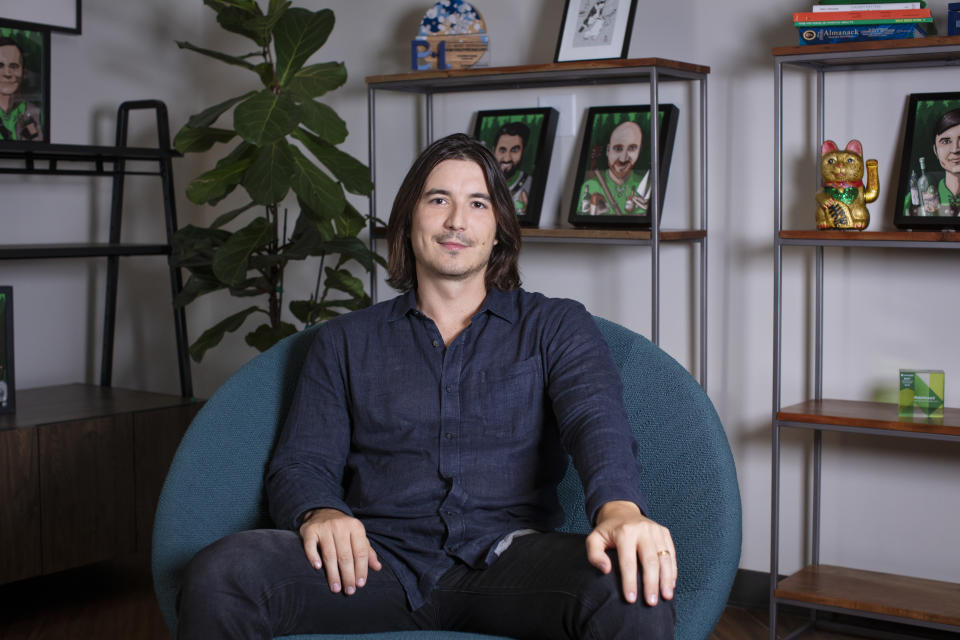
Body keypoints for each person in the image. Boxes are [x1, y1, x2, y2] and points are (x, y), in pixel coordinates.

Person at [177, 133, 676, 640]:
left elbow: (596, 422)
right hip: (369, 565)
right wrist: (321, 512)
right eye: (439, 199)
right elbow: (302, 462)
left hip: (511, 561)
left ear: (499, 228)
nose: (457, 220)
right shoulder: (344, 341)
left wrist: (620, 510)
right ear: (408, 221)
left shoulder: (556, 325)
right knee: (222, 575)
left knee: (630, 589)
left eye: (477, 203)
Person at [578, 120, 650, 216]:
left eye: (632, 148)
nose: (623, 158)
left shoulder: (646, 188)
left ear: (639, 151)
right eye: (618, 149)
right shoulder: (590, 186)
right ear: (608, 150)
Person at [0, 37, 43, 142]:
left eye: (14, 66)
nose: (7, 73)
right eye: (0, 66)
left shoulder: (36, 113)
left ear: (24, 73)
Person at [492, 121, 533, 215]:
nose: (507, 158)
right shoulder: (482, 183)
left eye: (514, 150)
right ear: (494, 150)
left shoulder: (529, 183)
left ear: (523, 152)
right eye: (502, 150)